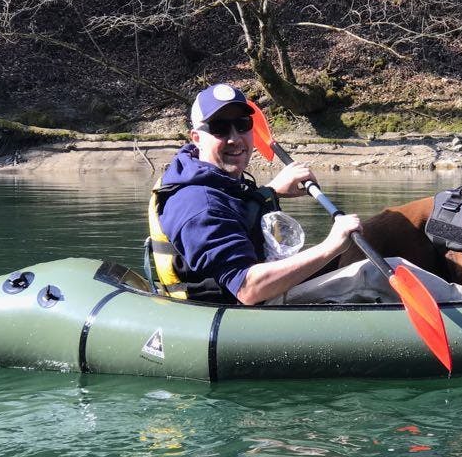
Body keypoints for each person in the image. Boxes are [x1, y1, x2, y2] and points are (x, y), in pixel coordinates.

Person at [152, 83, 362, 305]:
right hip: (235, 313)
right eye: (219, 128)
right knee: (372, 275)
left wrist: (269, 192)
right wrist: (331, 246)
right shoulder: (198, 203)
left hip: (251, 298)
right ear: (196, 138)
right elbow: (247, 289)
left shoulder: (213, 178)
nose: (235, 138)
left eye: (243, 124)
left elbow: (233, 210)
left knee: (363, 252)